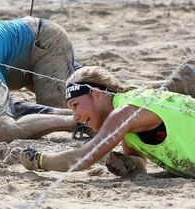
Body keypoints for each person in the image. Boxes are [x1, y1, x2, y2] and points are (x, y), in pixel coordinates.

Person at [20, 65, 195, 178]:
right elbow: (141, 165)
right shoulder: (126, 114)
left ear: (96, 94)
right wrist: (129, 163)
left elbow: (83, 158)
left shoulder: (124, 112)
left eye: (75, 105)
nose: (75, 117)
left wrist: (40, 160)